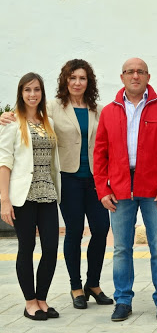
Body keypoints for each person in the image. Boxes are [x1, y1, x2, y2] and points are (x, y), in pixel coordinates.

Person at [0, 60, 113, 309]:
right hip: (68, 178)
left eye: (82, 78)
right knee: (74, 231)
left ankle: (93, 284)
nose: (77, 82)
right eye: (72, 78)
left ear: (89, 82)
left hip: (95, 179)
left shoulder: (99, 110)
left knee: (101, 228)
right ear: (65, 81)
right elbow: (27, 117)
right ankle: (76, 287)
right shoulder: (52, 107)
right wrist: (6, 115)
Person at [94, 58, 157, 322]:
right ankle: (123, 300)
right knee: (121, 249)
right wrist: (102, 189)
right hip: (119, 188)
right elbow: (100, 153)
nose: (135, 76)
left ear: (148, 77)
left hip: (154, 189)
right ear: (122, 77)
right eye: (130, 72)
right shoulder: (109, 112)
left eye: (140, 72)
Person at [0, 73, 61, 321]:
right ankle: (30, 302)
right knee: (27, 248)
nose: (32, 94)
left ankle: (42, 299)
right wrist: (4, 200)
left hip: (48, 194)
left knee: (51, 248)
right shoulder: (12, 123)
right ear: (21, 93)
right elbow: (4, 162)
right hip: (23, 196)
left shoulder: (49, 122)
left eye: (36, 89)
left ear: (42, 93)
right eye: (27, 90)